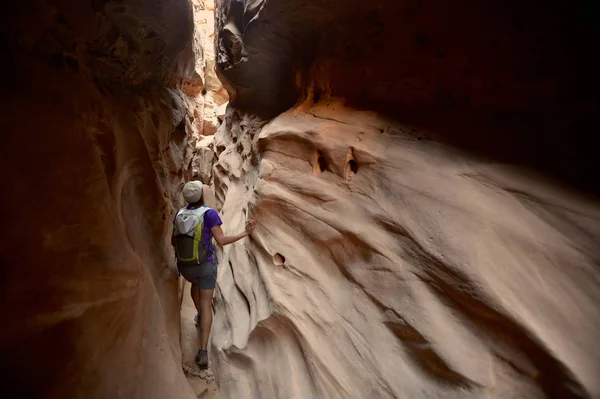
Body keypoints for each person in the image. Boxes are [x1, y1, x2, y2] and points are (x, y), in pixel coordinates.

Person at [172, 180, 256, 368]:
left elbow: (173, 242)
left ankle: (199, 317)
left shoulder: (179, 214)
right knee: (206, 304)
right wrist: (245, 233)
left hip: (186, 268)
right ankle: (202, 351)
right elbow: (222, 240)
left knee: (194, 286)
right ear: (202, 196)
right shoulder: (209, 214)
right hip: (205, 267)